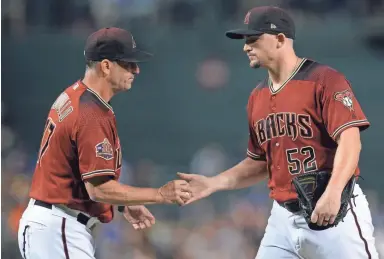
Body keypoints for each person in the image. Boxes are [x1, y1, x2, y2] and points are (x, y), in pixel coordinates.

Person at [178, 6, 379, 259]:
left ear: (280, 39)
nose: (246, 46)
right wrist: (213, 183)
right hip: (282, 217)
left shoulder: (324, 80)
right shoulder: (257, 96)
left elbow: (350, 141)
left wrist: (334, 192)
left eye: (253, 39)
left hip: (333, 211)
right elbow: (259, 162)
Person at [18, 27, 191, 259]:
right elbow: (98, 188)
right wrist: (160, 194)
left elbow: (77, 171)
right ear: (106, 66)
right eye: (128, 64)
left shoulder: (76, 95)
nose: (136, 70)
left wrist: (122, 203)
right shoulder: (91, 113)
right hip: (59, 227)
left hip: (53, 225)